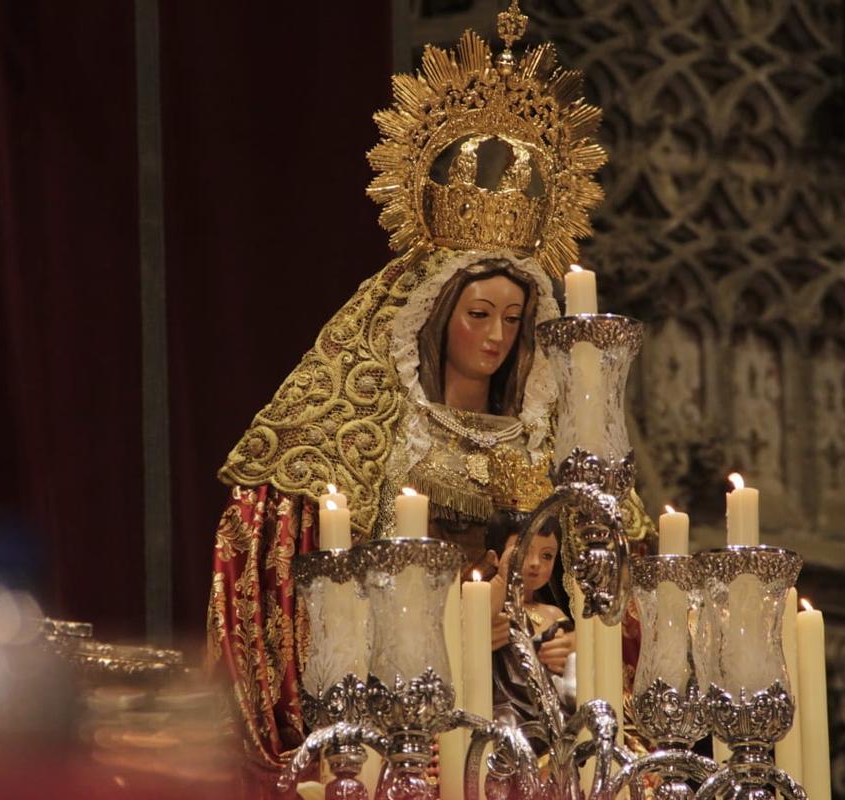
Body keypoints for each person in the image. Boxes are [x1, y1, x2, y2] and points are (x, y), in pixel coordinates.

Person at [205, 8, 613, 782]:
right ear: (437, 318)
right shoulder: (381, 428)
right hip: (404, 712)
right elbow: (312, 564)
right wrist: (449, 629)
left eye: (514, 319)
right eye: (479, 315)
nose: (495, 337)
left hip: (522, 715)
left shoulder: (543, 434)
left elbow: (603, 576)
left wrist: (566, 638)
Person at [485, 512, 576, 732]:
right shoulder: (489, 602)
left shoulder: (553, 613)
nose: (535, 563)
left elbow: (579, 650)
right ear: (495, 557)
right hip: (506, 708)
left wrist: (570, 648)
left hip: (553, 706)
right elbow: (475, 619)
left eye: (546, 556)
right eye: (524, 551)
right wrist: (501, 580)